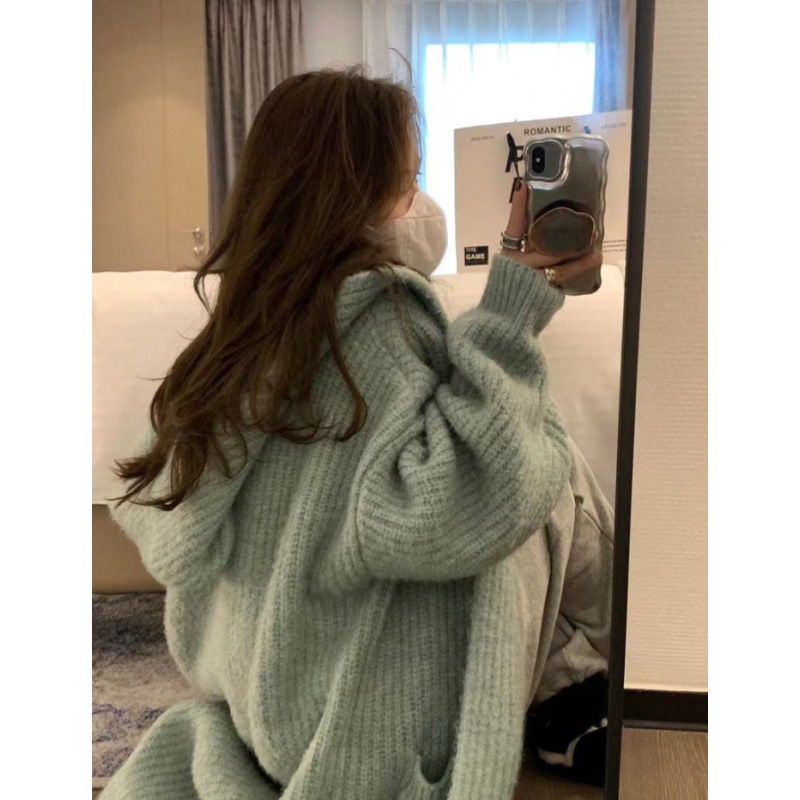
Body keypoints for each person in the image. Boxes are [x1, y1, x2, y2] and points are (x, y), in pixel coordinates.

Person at [102, 66, 614, 800]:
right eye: (407, 182)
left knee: (532, 448)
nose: (418, 203)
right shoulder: (376, 322)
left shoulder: (233, 337)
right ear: (358, 193)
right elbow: (460, 505)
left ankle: (579, 679)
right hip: (361, 727)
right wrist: (512, 311)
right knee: (544, 463)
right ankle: (595, 675)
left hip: (264, 701)